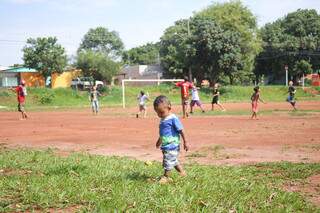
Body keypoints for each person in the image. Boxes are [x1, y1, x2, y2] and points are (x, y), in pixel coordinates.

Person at [153, 95, 189, 183]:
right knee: (173, 160)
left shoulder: (173, 118)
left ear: (169, 107)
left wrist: (185, 141)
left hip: (172, 144)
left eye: (161, 112)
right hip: (166, 145)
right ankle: (182, 172)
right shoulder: (162, 120)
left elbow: (181, 130)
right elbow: (163, 134)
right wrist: (159, 141)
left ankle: (166, 177)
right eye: (157, 113)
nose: (159, 115)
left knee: (168, 160)